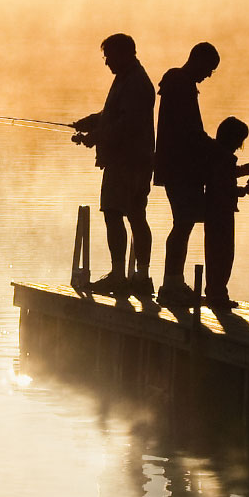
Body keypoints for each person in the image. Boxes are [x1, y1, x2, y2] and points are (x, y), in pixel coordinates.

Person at [72, 33, 156, 298]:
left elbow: (127, 124)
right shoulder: (131, 79)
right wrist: (92, 121)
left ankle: (120, 276)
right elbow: (117, 116)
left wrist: (96, 136)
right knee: (135, 216)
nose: (106, 61)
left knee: (114, 213)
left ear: (124, 54)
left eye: (109, 56)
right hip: (137, 161)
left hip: (126, 162)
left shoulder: (134, 82)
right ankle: (140, 277)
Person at [153, 42, 219, 307]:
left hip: (175, 167)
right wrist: (216, 149)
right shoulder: (181, 85)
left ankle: (175, 281)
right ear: (197, 60)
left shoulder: (178, 83)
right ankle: (171, 285)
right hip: (180, 169)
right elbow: (189, 132)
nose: (209, 75)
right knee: (182, 224)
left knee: (184, 224)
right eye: (209, 68)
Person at [202, 116, 249, 311]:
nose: (240, 145)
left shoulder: (219, 156)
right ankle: (217, 294)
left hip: (216, 211)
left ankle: (216, 292)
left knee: (216, 253)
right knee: (222, 254)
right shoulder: (224, 158)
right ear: (232, 139)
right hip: (220, 213)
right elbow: (223, 187)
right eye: (239, 140)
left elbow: (230, 174)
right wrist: (243, 191)